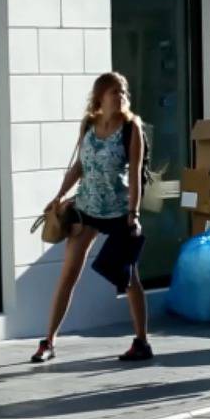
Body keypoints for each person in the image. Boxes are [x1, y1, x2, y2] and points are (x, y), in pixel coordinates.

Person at [31, 72, 152, 363]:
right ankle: (48, 342)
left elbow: (135, 174)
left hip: (119, 211)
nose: (120, 96)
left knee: (129, 277)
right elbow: (79, 166)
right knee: (69, 273)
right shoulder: (88, 125)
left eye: (123, 91)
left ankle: (142, 342)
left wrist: (133, 213)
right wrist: (59, 195)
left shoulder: (131, 128)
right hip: (86, 209)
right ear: (100, 96)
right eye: (114, 91)